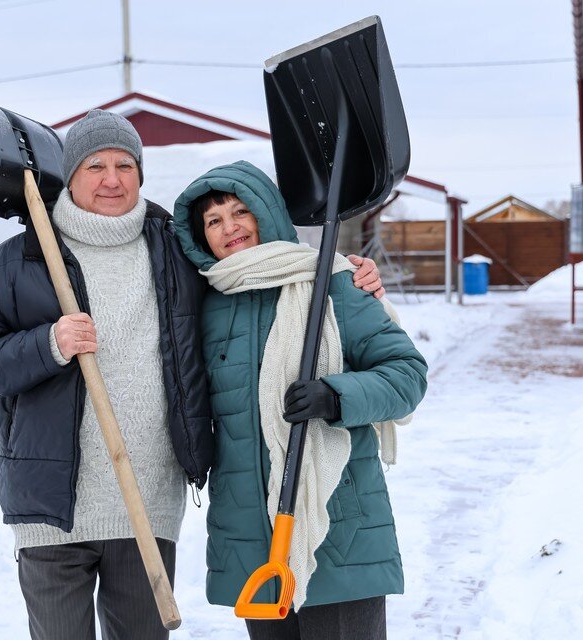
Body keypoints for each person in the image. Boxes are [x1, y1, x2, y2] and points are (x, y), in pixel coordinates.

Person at [0, 110, 384, 640]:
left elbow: (253, 275)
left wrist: (344, 277)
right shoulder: (19, 261)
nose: (111, 179)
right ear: (70, 175)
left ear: (141, 174)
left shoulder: (176, 251)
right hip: (50, 506)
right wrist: (46, 344)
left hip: (148, 503)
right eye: (95, 165)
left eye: (125, 164)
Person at [172, 160, 428, 640]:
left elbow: (407, 374)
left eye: (239, 212)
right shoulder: (204, 304)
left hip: (336, 524)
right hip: (252, 536)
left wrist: (336, 396)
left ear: (265, 212)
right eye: (213, 220)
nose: (229, 228)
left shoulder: (331, 281)